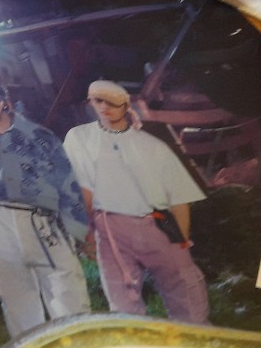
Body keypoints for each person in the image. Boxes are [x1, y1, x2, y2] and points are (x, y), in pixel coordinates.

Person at [0, 71, 90, 338]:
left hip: (43, 221)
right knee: (17, 303)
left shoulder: (39, 135)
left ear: (3, 94)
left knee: (68, 295)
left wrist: (79, 230)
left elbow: (67, 183)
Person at [63, 80, 209, 323]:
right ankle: (135, 340)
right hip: (111, 226)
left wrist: (182, 238)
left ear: (125, 105)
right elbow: (82, 189)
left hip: (159, 221)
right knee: (123, 300)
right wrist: (83, 232)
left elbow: (179, 197)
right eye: (98, 101)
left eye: (112, 102)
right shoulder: (80, 137)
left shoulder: (152, 144)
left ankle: (197, 336)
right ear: (89, 102)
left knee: (184, 287)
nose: (104, 107)